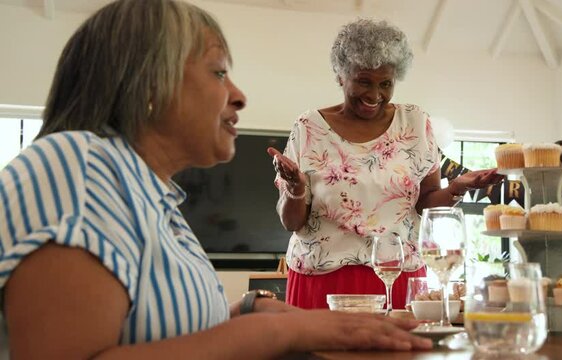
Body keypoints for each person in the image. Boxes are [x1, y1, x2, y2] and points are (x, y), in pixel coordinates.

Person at [0, 1, 433, 358]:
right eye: (219, 73)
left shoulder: (146, 195)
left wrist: (248, 311)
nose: (239, 95)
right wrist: (276, 334)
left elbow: (151, 328)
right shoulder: (76, 171)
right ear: (150, 83)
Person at [268, 18, 503, 309]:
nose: (374, 95)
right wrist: (296, 188)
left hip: (397, 275)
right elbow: (292, 222)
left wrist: (456, 188)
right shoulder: (308, 128)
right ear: (341, 76)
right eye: (364, 81)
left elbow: (425, 203)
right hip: (323, 280)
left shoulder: (416, 123)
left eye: (386, 83)